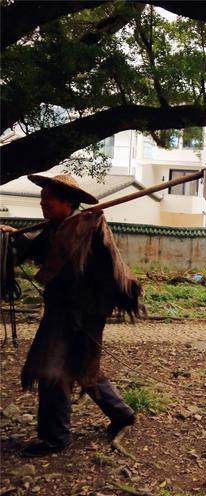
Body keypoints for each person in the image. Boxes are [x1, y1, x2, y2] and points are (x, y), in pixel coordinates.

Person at [0, 174, 141, 457]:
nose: (42, 203)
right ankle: (122, 414)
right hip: (61, 310)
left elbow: (99, 277)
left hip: (83, 312)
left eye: (47, 198)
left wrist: (81, 317)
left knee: (52, 369)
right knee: (82, 367)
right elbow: (34, 249)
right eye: (42, 198)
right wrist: (12, 236)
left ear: (67, 201)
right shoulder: (56, 229)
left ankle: (55, 438)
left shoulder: (87, 229)